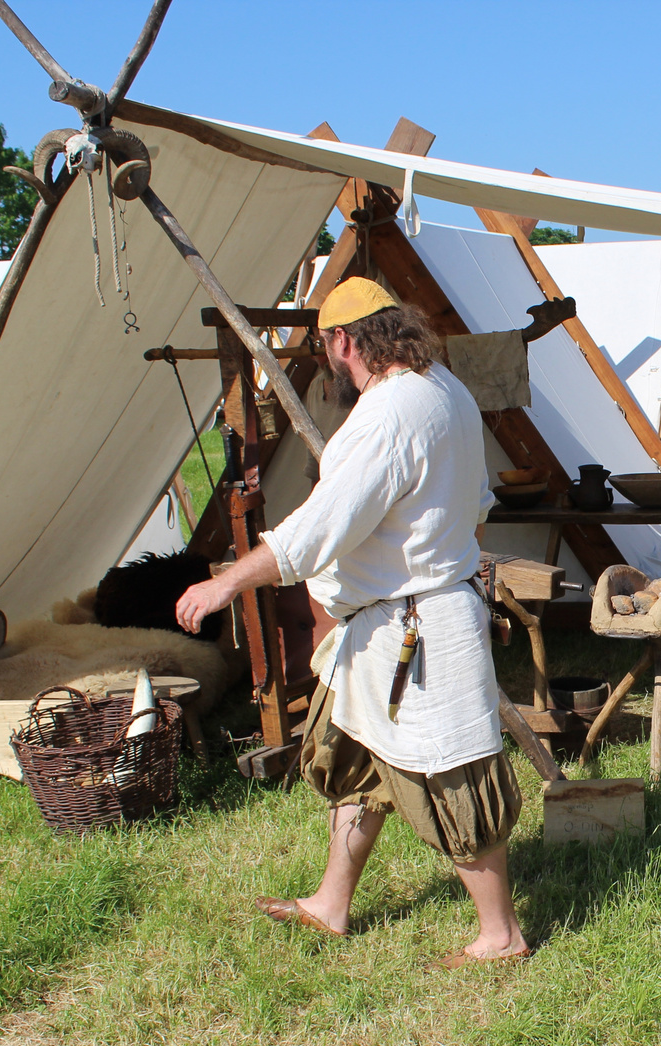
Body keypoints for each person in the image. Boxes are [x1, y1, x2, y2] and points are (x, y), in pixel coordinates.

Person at [174, 277, 528, 968]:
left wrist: (225, 583)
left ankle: (501, 936)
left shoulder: (389, 411)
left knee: (451, 776)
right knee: (356, 761)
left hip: (417, 632)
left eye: (329, 350)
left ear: (343, 341)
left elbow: (314, 530)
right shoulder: (445, 390)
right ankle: (331, 904)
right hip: (386, 626)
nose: (332, 364)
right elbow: (475, 499)